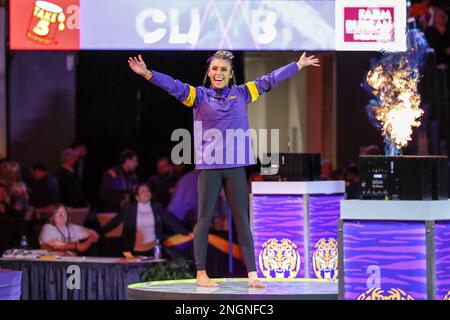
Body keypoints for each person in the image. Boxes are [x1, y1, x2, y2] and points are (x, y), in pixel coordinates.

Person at [128, 50, 319, 287]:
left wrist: (297, 65)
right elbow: (174, 86)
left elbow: (270, 80)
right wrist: (148, 74)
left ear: (231, 74)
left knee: (242, 219)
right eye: (215, 69)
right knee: (204, 218)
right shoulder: (198, 96)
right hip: (210, 168)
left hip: (235, 167)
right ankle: (201, 274)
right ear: (209, 72)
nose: (219, 73)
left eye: (224, 70)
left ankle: (252, 275)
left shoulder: (242, 93)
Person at [100, 183, 191, 256]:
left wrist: (187, 233)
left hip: (152, 251)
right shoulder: (129, 209)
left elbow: (171, 222)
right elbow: (115, 222)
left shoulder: (157, 207)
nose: (146, 193)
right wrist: (98, 233)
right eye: (142, 191)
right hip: (131, 251)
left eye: (148, 191)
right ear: (137, 197)